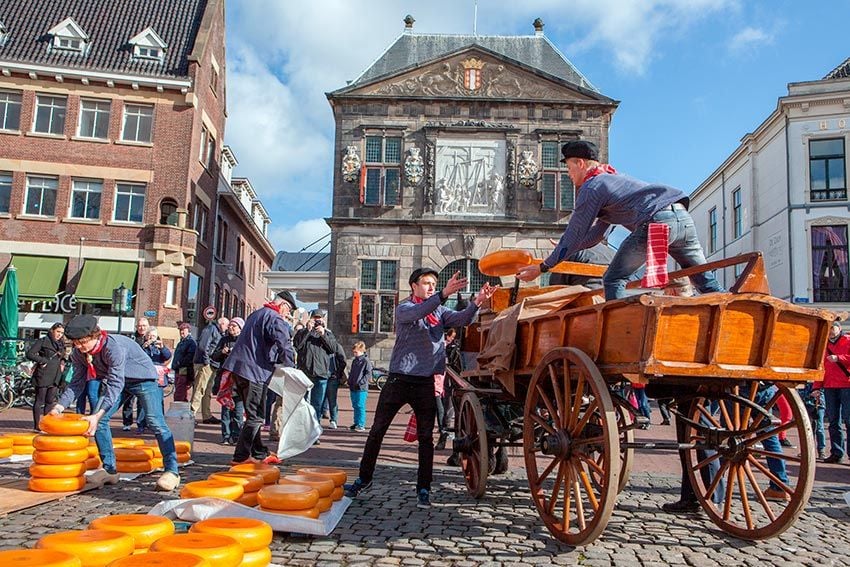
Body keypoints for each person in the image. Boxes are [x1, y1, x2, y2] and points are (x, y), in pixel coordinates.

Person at [345, 268, 498, 508]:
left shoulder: (439, 311)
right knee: (377, 431)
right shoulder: (405, 308)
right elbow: (420, 311)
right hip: (399, 379)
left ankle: (424, 487)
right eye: (426, 283)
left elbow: (462, 320)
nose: (430, 287)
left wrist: (477, 302)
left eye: (434, 283)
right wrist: (444, 293)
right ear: (413, 286)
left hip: (425, 380)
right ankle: (364, 479)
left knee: (426, 438)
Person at [517, 140, 723, 300]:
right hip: (681, 217)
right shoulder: (612, 180)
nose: (568, 175)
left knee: (613, 279)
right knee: (702, 277)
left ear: (580, 163)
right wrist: (571, 248)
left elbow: (575, 232)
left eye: (569, 168)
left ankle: (619, 331)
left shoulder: (592, 187)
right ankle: (732, 308)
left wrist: (543, 266)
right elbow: (597, 235)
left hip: (657, 221)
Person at [51, 314, 181, 491]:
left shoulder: (114, 347)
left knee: (155, 421)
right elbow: (77, 382)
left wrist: (97, 414)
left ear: (94, 335)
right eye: (75, 343)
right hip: (119, 382)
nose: (79, 347)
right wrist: (59, 407)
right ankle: (109, 470)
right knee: (100, 421)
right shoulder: (79, 353)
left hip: (143, 379)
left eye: (82, 342)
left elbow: (115, 383)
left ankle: (172, 471)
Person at [221, 290, 296, 465]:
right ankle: (240, 457)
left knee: (254, 414)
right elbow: (284, 343)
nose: (288, 314)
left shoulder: (256, 314)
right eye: (289, 310)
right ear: (283, 305)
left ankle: (259, 452)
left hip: (238, 369)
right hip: (254, 371)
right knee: (256, 417)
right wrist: (292, 368)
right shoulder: (275, 317)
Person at [293, 309, 339, 427]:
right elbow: (297, 346)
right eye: (315, 318)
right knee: (302, 404)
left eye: (319, 318)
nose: (317, 320)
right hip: (305, 373)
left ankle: (314, 430)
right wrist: (307, 331)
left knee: (317, 404)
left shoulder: (328, 334)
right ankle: (302, 429)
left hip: (321, 374)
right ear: (310, 319)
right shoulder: (302, 332)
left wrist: (323, 335)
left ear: (323, 320)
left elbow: (333, 349)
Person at [25, 323, 68, 431]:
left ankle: (46, 424)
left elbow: (63, 356)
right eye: (58, 332)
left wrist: (63, 362)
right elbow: (30, 354)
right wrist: (42, 361)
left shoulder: (61, 343)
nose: (59, 335)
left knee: (50, 400)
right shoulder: (43, 341)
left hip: (56, 374)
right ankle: (37, 425)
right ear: (52, 330)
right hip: (43, 374)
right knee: (40, 400)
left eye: (62, 333)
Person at [818, 320, 850, 463]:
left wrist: (839, 358)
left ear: (839, 328)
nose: (830, 331)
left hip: (846, 384)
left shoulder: (848, 340)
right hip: (830, 385)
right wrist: (816, 387)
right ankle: (837, 452)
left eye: (833, 328)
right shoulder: (824, 345)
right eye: (829, 328)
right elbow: (820, 367)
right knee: (833, 421)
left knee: (849, 420)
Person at [211, 317, 245, 445]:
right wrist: (222, 352)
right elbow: (214, 356)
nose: (231, 328)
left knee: (238, 409)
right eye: (230, 325)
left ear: (240, 328)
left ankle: (236, 436)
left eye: (234, 326)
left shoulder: (244, 341)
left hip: (239, 379)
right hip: (225, 380)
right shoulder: (224, 340)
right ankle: (226, 435)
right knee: (225, 409)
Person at [135, 327, 173, 433]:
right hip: (146, 376)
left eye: (154, 336)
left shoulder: (159, 346)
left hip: (158, 377)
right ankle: (141, 424)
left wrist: (162, 347)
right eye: (149, 336)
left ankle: (159, 424)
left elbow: (167, 356)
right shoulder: (142, 346)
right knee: (142, 402)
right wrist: (144, 347)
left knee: (158, 401)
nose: (151, 338)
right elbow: (137, 357)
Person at [192, 317, 228, 424]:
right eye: (226, 325)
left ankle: (206, 415)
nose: (227, 328)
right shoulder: (211, 329)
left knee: (207, 391)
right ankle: (191, 415)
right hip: (205, 364)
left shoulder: (218, 332)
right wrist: (206, 361)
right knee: (200, 389)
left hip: (212, 364)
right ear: (221, 323)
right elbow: (203, 346)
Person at [120, 318, 150, 431]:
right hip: (131, 372)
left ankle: (141, 424)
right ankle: (127, 422)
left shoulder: (153, 338)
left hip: (144, 373)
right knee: (128, 399)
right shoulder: (132, 338)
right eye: (140, 325)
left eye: (144, 325)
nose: (142, 328)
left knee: (142, 401)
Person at [347, 341, 372, 432]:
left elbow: (368, 374)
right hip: (353, 386)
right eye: (354, 352)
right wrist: (349, 381)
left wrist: (361, 383)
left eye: (356, 352)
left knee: (360, 405)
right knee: (355, 405)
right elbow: (352, 372)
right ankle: (356, 422)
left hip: (361, 388)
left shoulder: (366, 361)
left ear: (361, 351)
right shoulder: (355, 361)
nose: (355, 354)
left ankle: (361, 424)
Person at [171, 323, 196, 402]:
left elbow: (190, 357)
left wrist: (180, 363)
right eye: (180, 330)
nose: (181, 332)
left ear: (188, 331)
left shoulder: (191, 342)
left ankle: (177, 409)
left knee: (180, 391)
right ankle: (183, 408)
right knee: (181, 391)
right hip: (178, 369)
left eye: (184, 330)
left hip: (184, 370)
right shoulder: (181, 342)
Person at [324, 342, 347, 429]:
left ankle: (333, 420)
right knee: (318, 400)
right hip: (320, 375)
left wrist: (337, 373)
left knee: (332, 399)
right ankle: (318, 418)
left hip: (332, 376)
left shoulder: (336, 346)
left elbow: (343, 361)